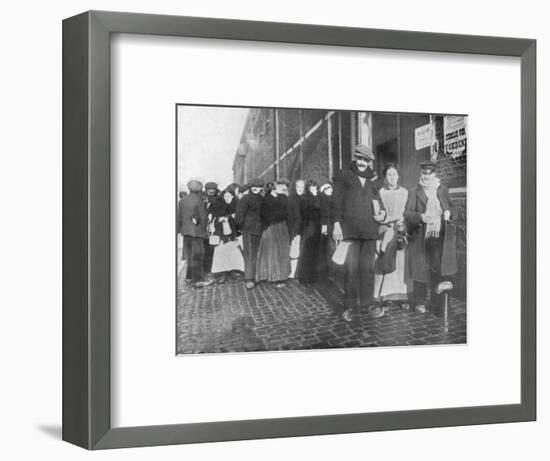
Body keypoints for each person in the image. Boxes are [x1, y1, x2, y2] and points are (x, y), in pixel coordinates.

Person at [333, 144, 386, 322]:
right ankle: (349, 306)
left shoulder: (373, 179)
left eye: (366, 160)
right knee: (351, 269)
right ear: (355, 158)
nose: (362, 163)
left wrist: (383, 212)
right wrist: (336, 224)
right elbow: (336, 201)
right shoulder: (344, 175)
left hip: (370, 230)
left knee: (368, 269)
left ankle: (367, 304)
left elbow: (378, 200)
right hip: (350, 230)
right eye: (360, 159)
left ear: (370, 162)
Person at [405, 161, 457, 313]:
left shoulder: (443, 190)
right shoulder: (414, 191)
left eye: (430, 173)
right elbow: (408, 213)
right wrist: (420, 217)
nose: (426, 176)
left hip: (440, 235)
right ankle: (419, 301)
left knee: (437, 269)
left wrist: (449, 213)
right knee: (420, 269)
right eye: (424, 173)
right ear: (421, 174)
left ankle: (438, 303)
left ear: (435, 174)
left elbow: (454, 209)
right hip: (421, 235)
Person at [373, 164, 409, 308]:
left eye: (394, 174)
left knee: (401, 263)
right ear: (385, 178)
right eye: (389, 175)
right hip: (386, 229)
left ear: (398, 176)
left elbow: (407, 210)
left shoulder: (404, 192)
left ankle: (400, 296)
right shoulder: (381, 192)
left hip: (400, 228)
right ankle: (383, 296)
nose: (392, 178)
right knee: (384, 261)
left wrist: (402, 220)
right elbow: (378, 213)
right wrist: (386, 219)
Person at [256, 178, 292, 287]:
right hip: (271, 228)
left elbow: (287, 212)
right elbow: (266, 215)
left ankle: (281, 277)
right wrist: (279, 215)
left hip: (281, 228)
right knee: (273, 253)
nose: (280, 189)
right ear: (272, 189)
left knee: (282, 252)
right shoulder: (266, 200)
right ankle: (273, 277)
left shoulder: (283, 198)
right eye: (277, 187)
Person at [180, 180, 211, 288]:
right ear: (200, 189)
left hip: (186, 232)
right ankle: (198, 280)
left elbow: (179, 216)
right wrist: (204, 231)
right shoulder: (199, 201)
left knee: (189, 256)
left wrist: (181, 230)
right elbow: (203, 218)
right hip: (197, 233)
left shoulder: (183, 200)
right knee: (198, 256)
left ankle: (189, 277)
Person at [210, 188, 244, 284]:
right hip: (221, 235)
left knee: (233, 253)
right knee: (221, 253)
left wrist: (235, 218)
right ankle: (222, 273)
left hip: (233, 235)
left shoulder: (237, 206)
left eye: (229, 196)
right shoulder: (218, 206)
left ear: (233, 196)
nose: (227, 198)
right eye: (225, 196)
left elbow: (240, 221)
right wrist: (219, 220)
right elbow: (212, 219)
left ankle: (233, 271)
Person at [235, 177, 264, 289]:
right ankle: (249, 278)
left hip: (260, 230)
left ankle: (257, 275)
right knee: (249, 254)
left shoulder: (262, 199)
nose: (256, 189)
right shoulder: (245, 199)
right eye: (254, 187)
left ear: (261, 188)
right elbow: (239, 216)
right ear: (251, 187)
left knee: (258, 253)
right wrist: (243, 227)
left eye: (258, 187)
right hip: (249, 231)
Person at [297, 180, 322, 285]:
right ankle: (305, 278)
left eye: (315, 187)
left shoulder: (316, 197)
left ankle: (312, 277)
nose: (314, 189)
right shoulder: (305, 198)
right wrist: (315, 197)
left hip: (316, 227)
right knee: (307, 253)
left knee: (314, 253)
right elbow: (312, 209)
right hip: (309, 227)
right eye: (312, 187)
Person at [288, 179, 306, 278]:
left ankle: (300, 272)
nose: (300, 189)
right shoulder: (291, 199)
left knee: (303, 251)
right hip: (295, 229)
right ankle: (293, 272)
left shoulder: (306, 198)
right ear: (295, 188)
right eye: (298, 187)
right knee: (294, 251)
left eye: (302, 187)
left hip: (304, 229)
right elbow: (289, 215)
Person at [203, 181, 221, 276]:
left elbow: (220, 210)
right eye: (209, 192)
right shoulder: (203, 199)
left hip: (215, 226)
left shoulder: (218, 199)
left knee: (214, 247)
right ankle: (208, 268)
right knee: (207, 247)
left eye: (212, 191)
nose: (210, 193)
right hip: (206, 226)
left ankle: (214, 268)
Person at [319, 182, 336, 278]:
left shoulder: (333, 198)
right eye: (326, 189)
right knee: (328, 249)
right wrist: (324, 225)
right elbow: (322, 212)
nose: (328, 190)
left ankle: (332, 270)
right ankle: (329, 270)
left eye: (329, 188)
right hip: (327, 226)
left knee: (331, 249)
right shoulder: (323, 199)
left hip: (333, 226)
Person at [176, 190, 188, 262]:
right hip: (187, 225)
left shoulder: (179, 204)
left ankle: (185, 256)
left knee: (185, 241)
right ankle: (185, 256)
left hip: (184, 226)